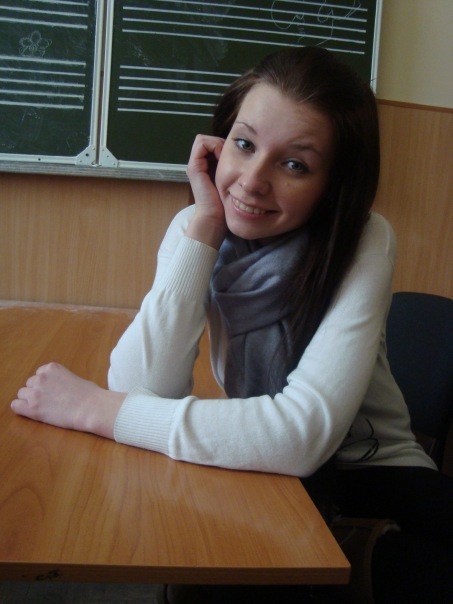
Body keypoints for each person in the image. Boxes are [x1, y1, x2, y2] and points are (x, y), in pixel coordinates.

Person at [11, 47, 453, 603]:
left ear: (333, 183)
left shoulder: (362, 239)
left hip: (371, 468)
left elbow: (302, 435)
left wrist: (95, 410)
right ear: (219, 143)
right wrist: (203, 230)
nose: (252, 180)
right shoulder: (196, 227)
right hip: (262, 467)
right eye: (244, 145)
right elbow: (139, 387)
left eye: (295, 165)